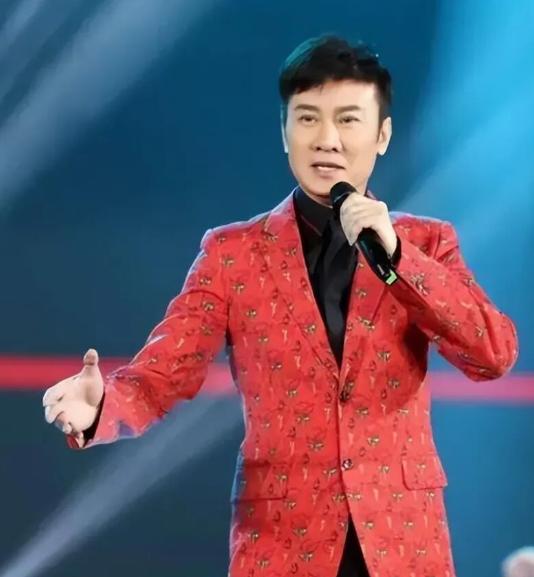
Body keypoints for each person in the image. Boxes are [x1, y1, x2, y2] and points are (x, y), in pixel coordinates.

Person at [42, 35, 518, 577]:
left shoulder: (427, 243)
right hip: (283, 545)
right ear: (285, 132)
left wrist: (399, 258)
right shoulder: (232, 254)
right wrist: (102, 406)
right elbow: (163, 375)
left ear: (382, 135)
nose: (327, 139)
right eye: (308, 118)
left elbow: (493, 353)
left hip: (403, 544)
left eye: (348, 120)